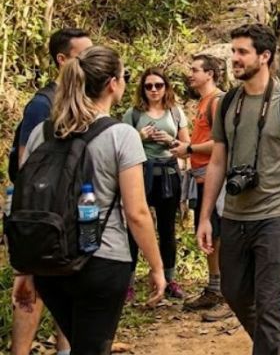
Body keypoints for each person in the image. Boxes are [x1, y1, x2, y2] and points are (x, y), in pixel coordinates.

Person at [12, 45, 166, 354]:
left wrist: (24, 270)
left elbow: (27, 201)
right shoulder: (122, 135)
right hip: (103, 260)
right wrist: (157, 267)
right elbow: (136, 212)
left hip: (49, 261)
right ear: (112, 84)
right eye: (124, 76)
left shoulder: (43, 132)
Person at [197, 23, 280, 354]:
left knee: (270, 303)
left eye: (242, 52)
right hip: (235, 216)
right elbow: (218, 162)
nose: (234, 58)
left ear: (264, 56)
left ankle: (269, 340)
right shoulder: (227, 103)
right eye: (233, 51)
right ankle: (275, 341)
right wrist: (206, 217)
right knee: (234, 292)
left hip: (276, 217)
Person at [7, 27, 91, 355]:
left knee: (65, 283)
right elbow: (27, 165)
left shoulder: (78, 101)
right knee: (33, 289)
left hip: (64, 211)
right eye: (83, 56)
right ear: (62, 59)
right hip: (39, 212)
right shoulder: (42, 105)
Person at [169, 54, 233, 321]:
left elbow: (222, 143)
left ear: (210, 74)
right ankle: (215, 289)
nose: (190, 74)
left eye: (195, 70)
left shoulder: (217, 101)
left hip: (214, 180)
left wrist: (190, 148)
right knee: (209, 236)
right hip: (201, 178)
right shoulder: (204, 102)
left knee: (221, 236)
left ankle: (229, 295)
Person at [123, 67, 191, 301]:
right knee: (133, 228)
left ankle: (169, 280)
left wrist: (169, 140)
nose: (154, 90)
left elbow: (186, 147)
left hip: (168, 174)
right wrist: (140, 136)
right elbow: (121, 146)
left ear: (166, 87)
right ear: (142, 89)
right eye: (149, 86)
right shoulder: (133, 113)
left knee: (167, 229)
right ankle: (128, 284)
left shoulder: (175, 112)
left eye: (158, 85)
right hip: (140, 174)